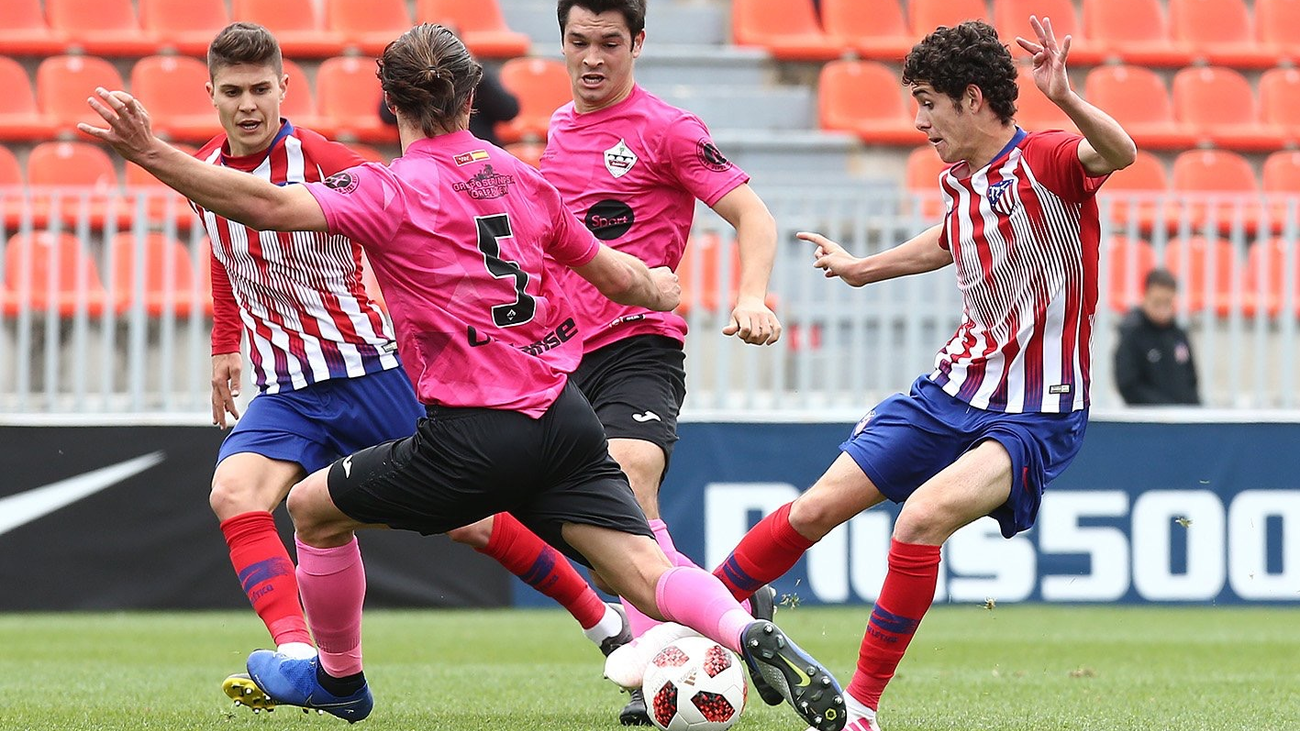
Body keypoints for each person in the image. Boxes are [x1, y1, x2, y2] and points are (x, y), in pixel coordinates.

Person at [81, 23, 847, 731]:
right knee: (645, 567)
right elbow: (610, 269)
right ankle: (744, 629)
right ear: (472, 99)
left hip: (474, 432)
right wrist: (659, 288)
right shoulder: (521, 175)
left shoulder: (388, 189)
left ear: (388, 105)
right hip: (565, 415)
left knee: (313, 509)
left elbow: (266, 205)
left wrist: (150, 151)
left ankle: (338, 679)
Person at [705, 17, 1136, 731]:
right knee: (813, 509)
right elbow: (952, 237)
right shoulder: (960, 179)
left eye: (928, 102)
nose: (918, 120)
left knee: (921, 518)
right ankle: (695, 616)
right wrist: (861, 268)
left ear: (972, 100)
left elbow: (1119, 151)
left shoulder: (1053, 160)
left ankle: (861, 708)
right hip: (950, 390)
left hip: (1036, 409)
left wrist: (1064, 95)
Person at [442, 1, 786, 723]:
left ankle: (656, 674)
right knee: (594, 533)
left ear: (637, 43)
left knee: (630, 478)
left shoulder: (670, 129)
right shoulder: (561, 129)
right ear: (561, 43)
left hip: (639, 343)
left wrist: (752, 296)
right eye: (578, 42)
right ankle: (732, 607)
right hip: (561, 357)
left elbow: (754, 214)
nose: (592, 58)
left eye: (608, 43)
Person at [162, 22, 427, 709]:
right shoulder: (203, 173)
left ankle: (602, 621)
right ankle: (297, 652)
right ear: (212, 95)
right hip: (286, 388)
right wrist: (226, 340)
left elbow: (404, 239)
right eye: (232, 91)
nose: (248, 104)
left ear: (284, 86)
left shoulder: (333, 162)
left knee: (473, 518)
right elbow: (229, 252)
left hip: (369, 370)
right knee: (233, 492)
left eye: (259, 88)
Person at [377, 37, 519, 147]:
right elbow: (385, 116)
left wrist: (477, 76)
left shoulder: (390, 181)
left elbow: (509, 110)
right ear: (469, 99)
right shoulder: (513, 170)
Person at [1114, 268, 1200, 405]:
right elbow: (1128, 385)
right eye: (1157, 302)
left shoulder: (1179, 335)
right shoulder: (1132, 335)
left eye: (1167, 303)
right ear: (1145, 296)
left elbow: (1191, 381)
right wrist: (1165, 408)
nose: (1163, 309)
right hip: (1148, 422)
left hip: (1183, 419)